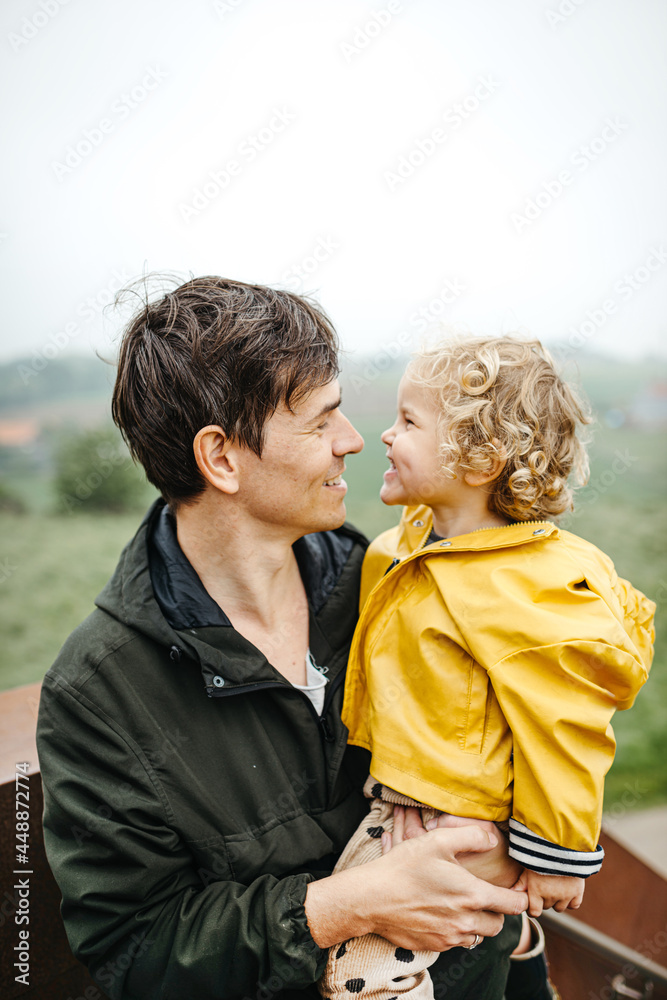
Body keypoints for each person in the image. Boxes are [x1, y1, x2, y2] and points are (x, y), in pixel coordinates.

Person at [36, 280, 528, 1000]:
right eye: (321, 420)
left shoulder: (393, 584)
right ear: (223, 459)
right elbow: (134, 955)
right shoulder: (98, 696)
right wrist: (343, 906)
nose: (353, 442)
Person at [320, 336, 656, 1000]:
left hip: (456, 823)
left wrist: (555, 854)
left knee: (355, 966)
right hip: (407, 802)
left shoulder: (524, 588)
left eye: (409, 422)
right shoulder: (410, 549)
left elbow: (562, 725)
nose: (382, 436)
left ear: (478, 459)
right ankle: (508, 940)